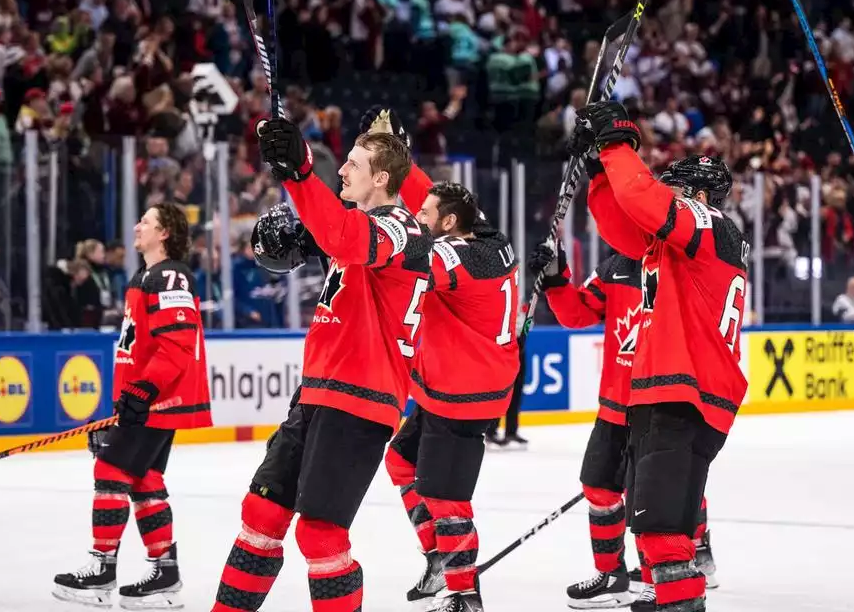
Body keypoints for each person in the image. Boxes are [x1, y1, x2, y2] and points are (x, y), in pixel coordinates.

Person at [211, 120, 432, 612]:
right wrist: (305, 222)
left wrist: (300, 172)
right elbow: (337, 235)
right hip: (317, 391)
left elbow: (348, 237)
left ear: (382, 179)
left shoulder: (403, 227)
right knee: (262, 512)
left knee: (319, 533)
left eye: (354, 164)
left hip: (361, 398)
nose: (344, 171)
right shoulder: (362, 228)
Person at [573, 101, 749, 612]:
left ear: (695, 195)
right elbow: (620, 223)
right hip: (675, 390)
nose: (664, 192)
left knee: (664, 535)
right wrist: (599, 170)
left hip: (684, 390)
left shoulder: (706, 222)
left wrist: (617, 141)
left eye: (673, 187)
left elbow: (639, 195)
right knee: (657, 532)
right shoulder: (676, 243)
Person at [361, 104, 521, 611]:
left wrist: (360, 218)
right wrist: (400, 157)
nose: (418, 219)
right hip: (453, 384)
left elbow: (408, 255)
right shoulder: (487, 238)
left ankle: (463, 595)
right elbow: (431, 201)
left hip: (462, 393)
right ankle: (439, 558)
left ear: (448, 224)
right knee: (401, 459)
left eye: (426, 218)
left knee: (449, 501)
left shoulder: (455, 255)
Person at [52, 202, 212, 610]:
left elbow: (176, 347)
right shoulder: (145, 276)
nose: (137, 226)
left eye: (147, 221)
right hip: (148, 401)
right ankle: (165, 573)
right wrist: (126, 399)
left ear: (165, 234)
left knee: (111, 469)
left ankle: (101, 570)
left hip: (156, 401)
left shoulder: (168, 274)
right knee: (143, 479)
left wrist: (141, 392)